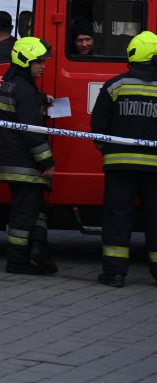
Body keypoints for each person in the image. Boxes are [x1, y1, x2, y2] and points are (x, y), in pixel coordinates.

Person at [90, 31, 157, 288]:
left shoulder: (115, 85)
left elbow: (97, 124)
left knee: (118, 216)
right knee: (155, 218)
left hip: (119, 165)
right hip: (155, 167)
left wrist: (106, 150)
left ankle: (115, 273)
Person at [0, 36, 57, 275]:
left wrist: (40, 99)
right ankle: (17, 261)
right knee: (24, 215)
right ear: (25, 62)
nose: (43, 66)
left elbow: (21, 105)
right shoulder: (25, 90)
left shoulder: (11, 84)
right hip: (26, 166)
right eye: (38, 62)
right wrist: (47, 161)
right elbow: (32, 131)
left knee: (36, 210)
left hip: (14, 161)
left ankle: (38, 250)